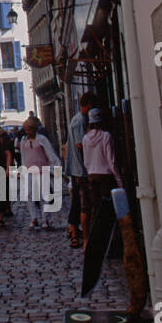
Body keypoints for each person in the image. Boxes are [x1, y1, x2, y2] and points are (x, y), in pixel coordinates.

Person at [82, 108, 123, 247]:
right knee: (109, 212)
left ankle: (97, 243)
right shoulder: (106, 136)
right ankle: (111, 243)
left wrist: (89, 173)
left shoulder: (86, 138)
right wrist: (119, 180)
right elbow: (111, 160)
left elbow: (86, 161)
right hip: (106, 177)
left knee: (96, 210)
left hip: (92, 177)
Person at [65, 92, 97, 248]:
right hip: (80, 168)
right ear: (89, 104)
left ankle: (72, 227)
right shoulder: (80, 121)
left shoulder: (78, 119)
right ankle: (73, 228)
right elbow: (80, 144)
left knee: (78, 200)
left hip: (78, 167)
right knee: (80, 202)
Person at [20, 117, 62, 230]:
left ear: (34, 129)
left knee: (45, 196)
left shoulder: (41, 139)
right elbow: (23, 156)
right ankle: (34, 218)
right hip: (29, 171)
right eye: (26, 129)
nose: (28, 132)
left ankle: (45, 219)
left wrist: (55, 168)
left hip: (42, 170)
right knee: (29, 195)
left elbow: (50, 153)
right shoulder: (23, 140)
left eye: (30, 129)